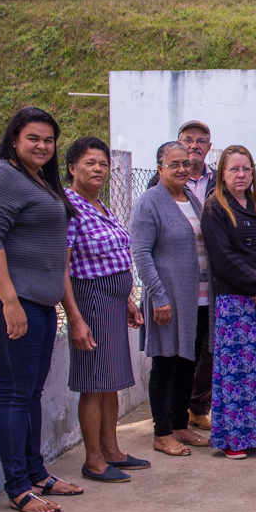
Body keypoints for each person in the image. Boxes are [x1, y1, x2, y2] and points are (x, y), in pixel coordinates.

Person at [0, 107, 92, 512]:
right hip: (7, 299)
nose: (42, 146)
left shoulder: (37, 178)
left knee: (32, 392)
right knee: (16, 392)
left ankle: (37, 473)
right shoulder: (1, 177)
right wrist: (8, 302)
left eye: (48, 140)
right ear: (15, 138)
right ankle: (18, 486)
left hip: (38, 299)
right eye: (33, 139)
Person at [64, 136, 147, 483]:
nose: (98, 169)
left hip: (112, 301)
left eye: (102, 164)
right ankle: (94, 459)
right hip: (90, 301)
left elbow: (114, 260)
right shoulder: (69, 206)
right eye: (89, 163)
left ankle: (112, 450)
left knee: (111, 381)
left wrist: (126, 299)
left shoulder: (100, 205)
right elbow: (62, 268)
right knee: (93, 382)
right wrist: (76, 319)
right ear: (72, 168)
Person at [200, 146, 256, 459]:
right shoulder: (215, 208)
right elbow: (224, 260)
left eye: (246, 170)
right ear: (222, 174)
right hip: (235, 305)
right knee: (239, 375)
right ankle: (236, 439)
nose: (241, 175)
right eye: (234, 169)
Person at [130, 140, 212, 459]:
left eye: (186, 164)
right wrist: (158, 297)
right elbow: (141, 253)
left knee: (187, 363)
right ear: (160, 168)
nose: (181, 169)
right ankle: (162, 432)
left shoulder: (191, 198)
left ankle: (180, 424)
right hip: (168, 298)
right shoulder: (150, 202)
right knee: (165, 364)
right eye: (173, 164)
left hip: (199, 297)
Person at [176, 119, 216, 433]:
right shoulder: (160, 182)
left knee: (207, 345)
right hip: (179, 278)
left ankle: (198, 407)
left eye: (201, 140)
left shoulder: (218, 181)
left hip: (213, 277)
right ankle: (172, 408)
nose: (194, 145)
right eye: (188, 139)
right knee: (178, 347)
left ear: (209, 146)